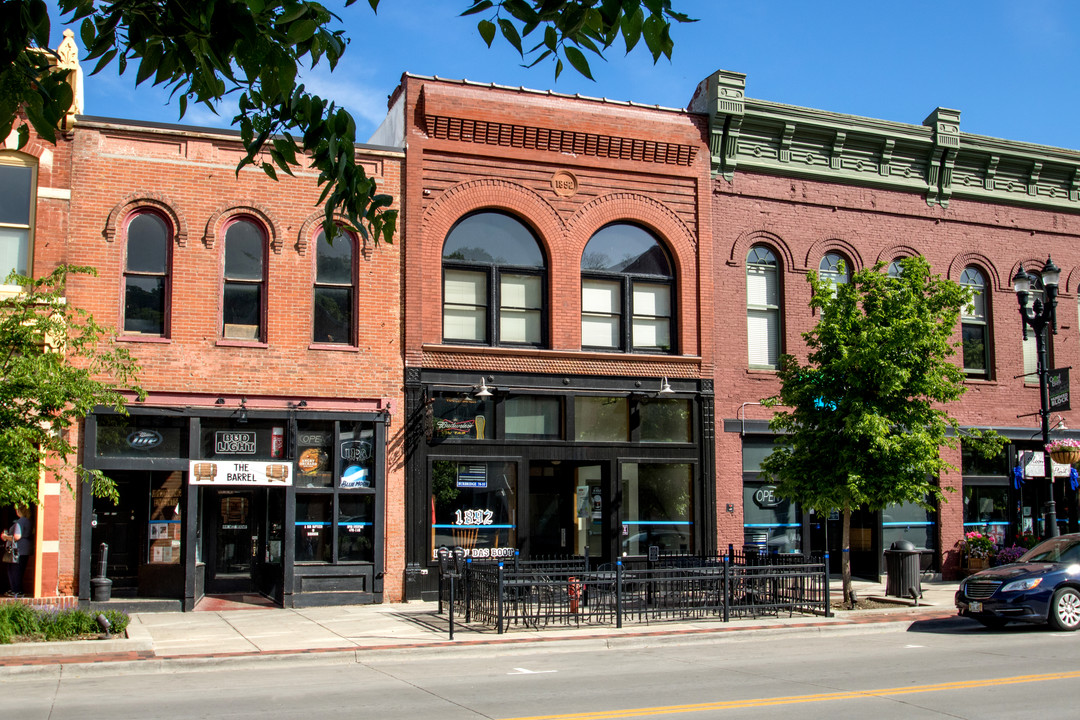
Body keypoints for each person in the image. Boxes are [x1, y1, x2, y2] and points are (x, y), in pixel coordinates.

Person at [2, 507, 32, 597]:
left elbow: (17, 536)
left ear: (19, 511)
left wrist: (5, 536)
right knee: (19, 569)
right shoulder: (28, 521)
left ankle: (16, 590)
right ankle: (16, 590)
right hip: (25, 549)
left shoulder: (20, 522)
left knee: (14, 570)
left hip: (17, 550)